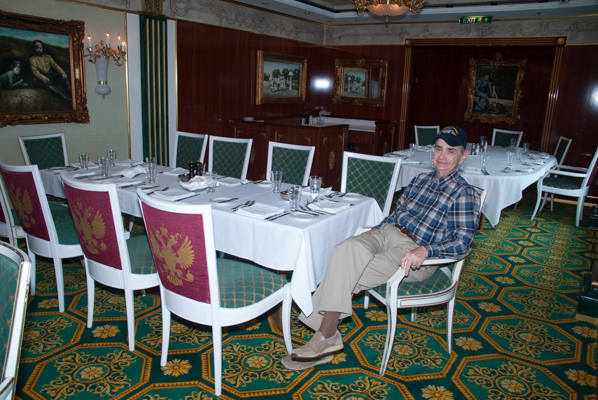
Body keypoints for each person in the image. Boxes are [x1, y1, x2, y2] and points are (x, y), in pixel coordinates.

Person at [282, 126, 481, 370]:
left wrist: (426, 251)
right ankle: (328, 334)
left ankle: (325, 335)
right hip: (388, 233)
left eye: (451, 151)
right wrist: (379, 226)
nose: (442, 155)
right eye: (438, 148)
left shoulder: (463, 193)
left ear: (463, 156)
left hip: (415, 254)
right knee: (345, 248)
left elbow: (463, 242)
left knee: (343, 272)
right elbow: (398, 213)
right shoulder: (420, 180)